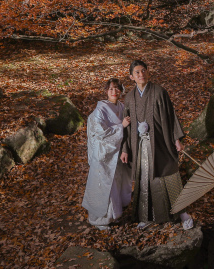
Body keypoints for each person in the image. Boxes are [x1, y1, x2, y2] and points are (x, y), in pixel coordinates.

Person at [120, 60, 193, 229]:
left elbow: (170, 116)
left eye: (143, 70)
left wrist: (176, 139)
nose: (141, 74)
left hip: (160, 142)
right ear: (131, 77)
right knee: (144, 180)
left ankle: (183, 213)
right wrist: (125, 149)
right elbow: (127, 125)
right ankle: (146, 216)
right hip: (139, 145)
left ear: (148, 72)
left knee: (169, 175)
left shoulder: (159, 92)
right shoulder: (129, 97)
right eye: (137, 72)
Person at [81, 78, 132, 230]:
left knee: (115, 183)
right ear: (106, 91)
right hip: (103, 152)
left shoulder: (121, 106)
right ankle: (99, 220)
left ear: (121, 90)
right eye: (110, 89)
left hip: (116, 152)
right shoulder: (101, 109)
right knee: (104, 185)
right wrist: (121, 126)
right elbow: (100, 132)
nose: (114, 91)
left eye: (117, 88)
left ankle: (113, 215)